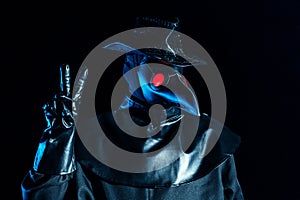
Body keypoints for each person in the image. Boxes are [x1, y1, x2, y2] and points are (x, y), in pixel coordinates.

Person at [21, 17, 244, 199]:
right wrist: (58, 141)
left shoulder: (210, 139)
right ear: (130, 66)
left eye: (171, 66)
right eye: (152, 63)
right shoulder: (93, 137)